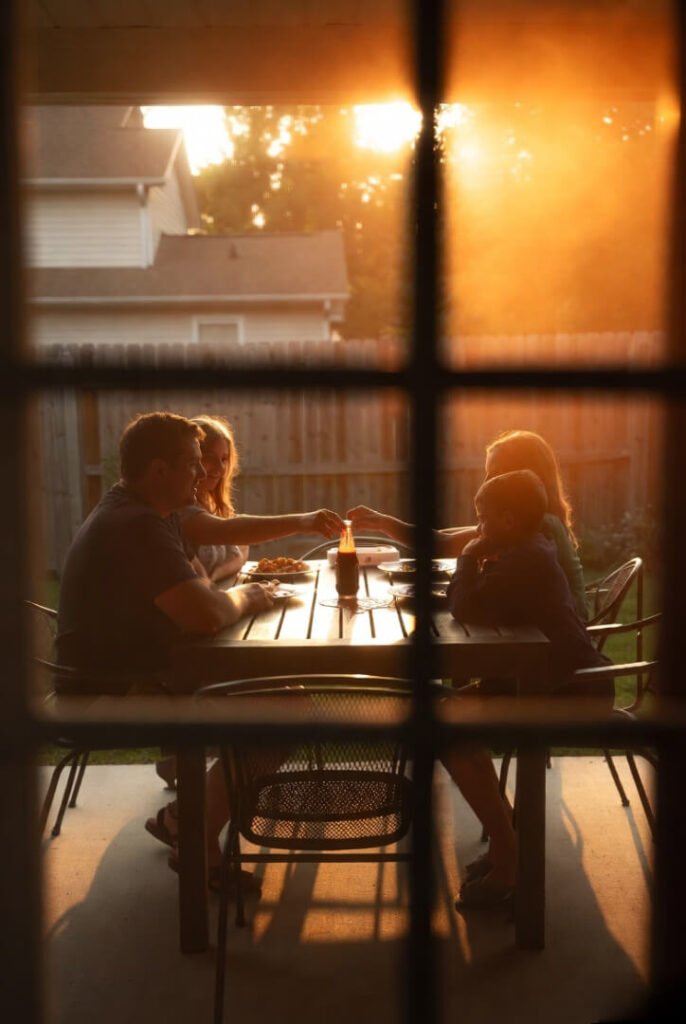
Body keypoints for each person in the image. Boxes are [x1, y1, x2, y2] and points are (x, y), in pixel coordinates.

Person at [440, 469, 611, 910]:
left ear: (509, 520)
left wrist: (466, 558)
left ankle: (511, 862)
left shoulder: (525, 560)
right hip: (543, 676)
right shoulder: (527, 548)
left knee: (450, 730)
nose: (478, 528)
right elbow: (474, 604)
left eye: (483, 518)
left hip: (569, 689)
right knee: (450, 717)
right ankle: (505, 848)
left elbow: (464, 605)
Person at [153, 411, 343, 791]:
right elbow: (229, 540)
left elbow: (236, 548)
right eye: (201, 460)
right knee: (288, 701)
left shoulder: (179, 510)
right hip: (176, 655)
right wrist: (302, 521)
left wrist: (222, 578)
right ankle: (193, 807)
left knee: (286, 690)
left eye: (223, 459)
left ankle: (197, 797)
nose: (213, 469)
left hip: (194, 635)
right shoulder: (171, 516)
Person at [347, 428, 588, 620]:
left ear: (525, 475)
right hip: (535, 625)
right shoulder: (535, 519)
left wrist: (382, 523)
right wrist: (382, 521)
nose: (486, 480)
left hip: (550, 641)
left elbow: (440, 545)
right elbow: (441, 536)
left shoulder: (535, 526)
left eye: (496, 472)